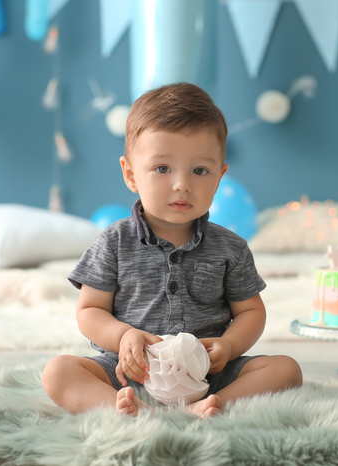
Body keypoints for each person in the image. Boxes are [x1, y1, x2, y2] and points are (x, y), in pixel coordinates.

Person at [42, 82, 302, 419]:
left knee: (286, 370)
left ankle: (213, 405)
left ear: (219, 177)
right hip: (131, 370)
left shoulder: (231, 247)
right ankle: (127, 409)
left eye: (199, 170)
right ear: (131, 174)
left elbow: (251, 312)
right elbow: (89, 310)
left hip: (206, 373)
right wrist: (124, 336)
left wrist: (229, 346)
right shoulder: (113, 242)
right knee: (58, 372)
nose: (182, 184)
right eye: (163, 168)